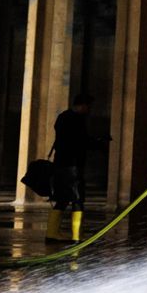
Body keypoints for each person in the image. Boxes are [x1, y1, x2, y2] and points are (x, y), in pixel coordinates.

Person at [47, 92, 105, 243]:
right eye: (89, 107)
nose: (90, 110)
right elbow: (80, 141)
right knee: (77, 200)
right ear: (83, 105)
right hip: (72, 166)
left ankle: (51, 233)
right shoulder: (77, 120)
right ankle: (76, 236)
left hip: (60, 164)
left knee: (62, 199)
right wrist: (98, 143)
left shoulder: (63, 117)